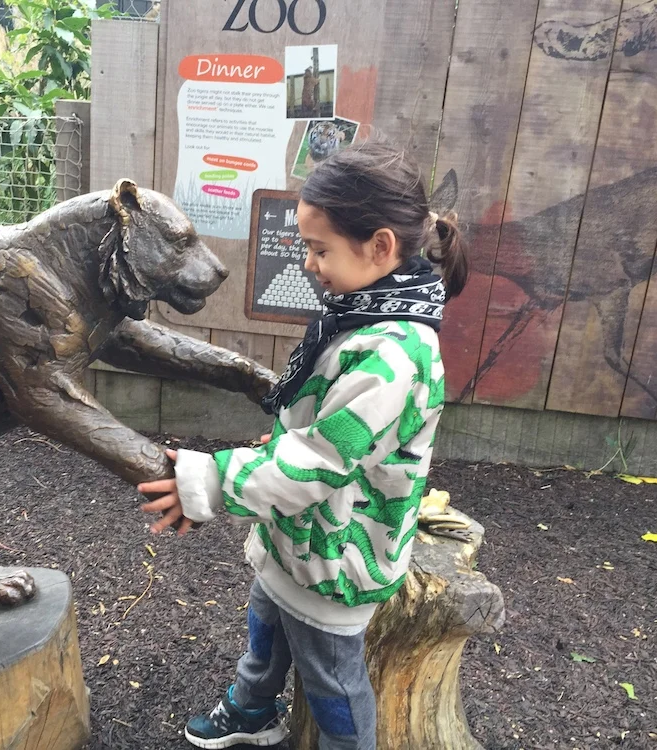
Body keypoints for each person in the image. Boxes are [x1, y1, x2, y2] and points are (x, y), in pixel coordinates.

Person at [137, 136, 469, 750]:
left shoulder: (393, 354)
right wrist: (286, 437)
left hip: (341, 552)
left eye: (319, 250)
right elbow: (320, 433)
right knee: (266, 617)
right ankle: (255, 706)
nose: (310, 264)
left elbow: (319, 462)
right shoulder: (359, 315)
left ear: (380, 247)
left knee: (333, 680)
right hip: (301, 537)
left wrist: (212, 479)